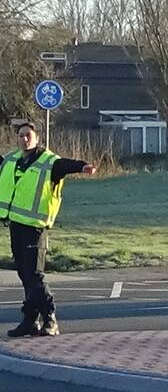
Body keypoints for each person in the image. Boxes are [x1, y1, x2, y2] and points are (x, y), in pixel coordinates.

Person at [0, 121, 97, 337]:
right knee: (24, 274)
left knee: (34, 275)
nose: (24, 139)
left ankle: (50, 318)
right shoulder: (11, 160)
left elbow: (64, 165)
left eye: (28, 135)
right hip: (16, 225)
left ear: (36, 138)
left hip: (35, 228)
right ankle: (30, 320)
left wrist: (82, 166)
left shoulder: (47, 162)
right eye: (21, 135)